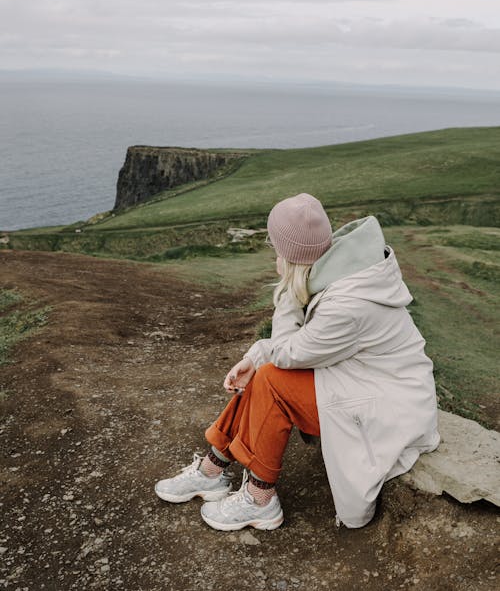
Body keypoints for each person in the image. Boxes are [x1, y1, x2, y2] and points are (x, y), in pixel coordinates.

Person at [154, 192, 440, 531]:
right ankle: (213, 470)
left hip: (390, 407)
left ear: (289, 253)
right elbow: (297, 347)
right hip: (365, 380)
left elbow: (289, 353)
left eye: (276, 246)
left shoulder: (348, 304)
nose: (273, 252)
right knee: (264, 373)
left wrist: (288, 292)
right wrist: (254, 356)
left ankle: (260, 498)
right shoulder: (339, 267)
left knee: (271, 380)